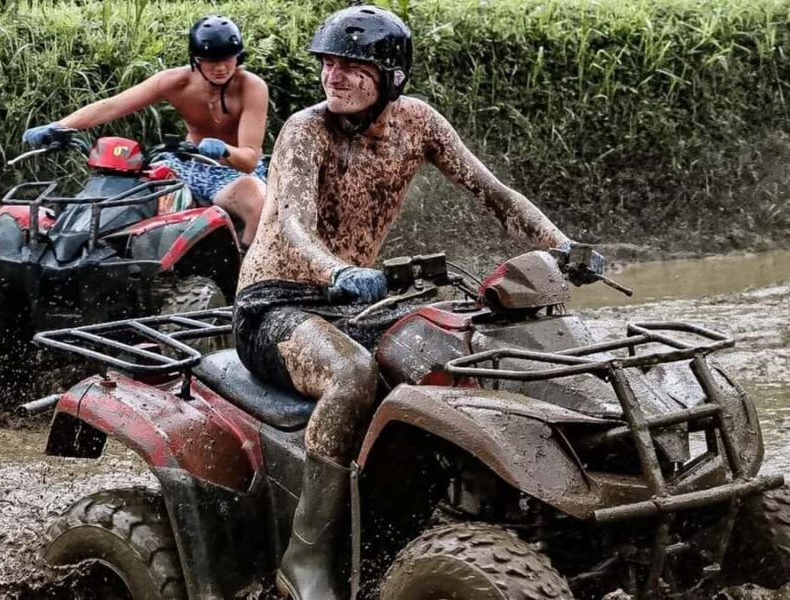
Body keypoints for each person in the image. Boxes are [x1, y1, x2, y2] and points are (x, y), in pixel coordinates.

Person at [234, 6, 606, 599]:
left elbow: (494, 193)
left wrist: (564, 246)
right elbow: (294, 226)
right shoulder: (306, 129)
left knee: (464, 349)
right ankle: (305, 559)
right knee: (353, 376)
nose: (334, 77)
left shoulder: (419, 124)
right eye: (328, 64)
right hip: (276, 304)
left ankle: (452, 509)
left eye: (352, 67)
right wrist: (339, 272)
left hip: (353, 300)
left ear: (391, 76)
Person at [22, 15, 268, 245]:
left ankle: (247, 275)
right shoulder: (175, 82)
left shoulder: (252, 87)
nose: (221, 68)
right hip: (185, 164)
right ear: (197, 61)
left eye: (228, 59)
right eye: (212, 61)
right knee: (122, 191)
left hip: (230, 172)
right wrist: (60, 126)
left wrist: (223, 149)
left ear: (239, 58)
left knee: (260, 201)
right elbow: (112, 106)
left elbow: (248, 159)